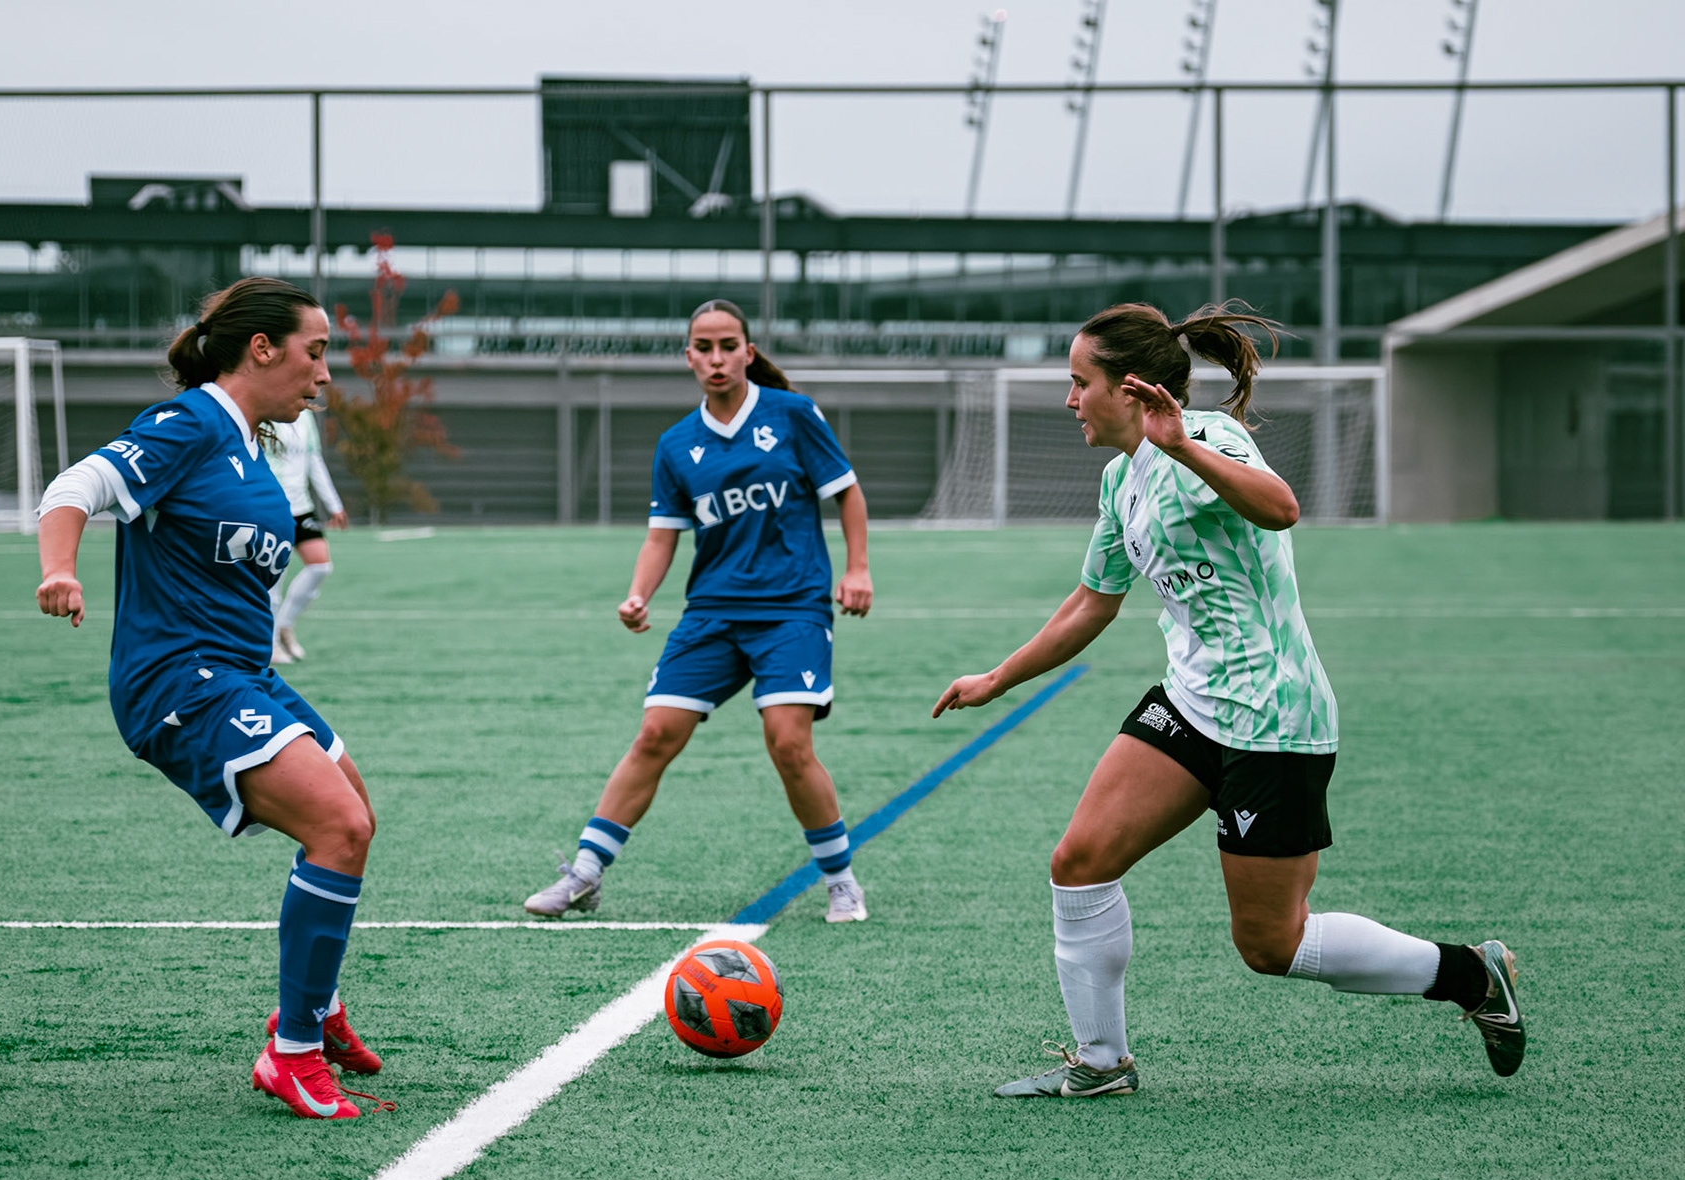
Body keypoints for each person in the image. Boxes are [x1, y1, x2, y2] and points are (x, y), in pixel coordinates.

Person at [932, 301, 1525, 1098]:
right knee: (1079, 865)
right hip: (1190, 705)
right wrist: (996, 678)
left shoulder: (1210, 438)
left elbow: (1281, 508)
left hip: (1274, 717)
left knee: (1271, 945)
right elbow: (1091, 604)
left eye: (1081, 383)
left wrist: (1179, 443)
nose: (1070, 400)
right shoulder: (1120, 481)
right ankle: (1102, 1063)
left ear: (1133, 389)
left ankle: (1470, 975)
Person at [34, 277, 383, 1120]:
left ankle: (311, 1005)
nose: (326, 374)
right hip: (178, 682)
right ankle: (292, 1054)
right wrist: (59, 567)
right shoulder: (189, 423)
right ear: (260, 349)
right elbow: (73, 489)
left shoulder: (254, 446)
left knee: (355, 812)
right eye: (315, 351)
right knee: (338, 827)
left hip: (243, 675)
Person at [523, 298, 876, 924]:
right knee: (655, 734)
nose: (717, 359)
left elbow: (846, 492)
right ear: (688, 356)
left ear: (747, 351)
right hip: (711, 612)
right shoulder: (676, 444)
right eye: (703, 347)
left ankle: (841, 881)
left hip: (792, 608)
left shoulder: (793, 416)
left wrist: (857, 568)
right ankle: (584, 875)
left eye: (728, 346)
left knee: (788, 743)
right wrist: (639, 594)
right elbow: (663, 534)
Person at [267, 407, 348, 666]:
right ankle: (269, 645)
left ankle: (284, 626)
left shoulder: (305, 415)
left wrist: (333, 504)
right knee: (273, 582)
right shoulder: (265, 411)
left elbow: (314, 459)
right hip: (272, 505)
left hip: (301, 505)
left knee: (320, 566)